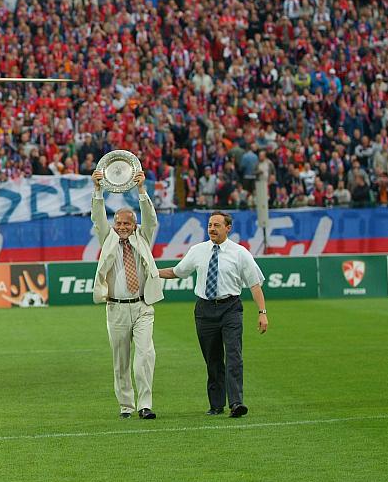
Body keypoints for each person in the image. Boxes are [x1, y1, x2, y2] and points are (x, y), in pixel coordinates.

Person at [158, 211, 268, 418]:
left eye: (217, 225)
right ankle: (216, 405)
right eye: (210, 225)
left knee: (234, 355)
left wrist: (262, 313)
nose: (212, 229)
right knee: (213, 358)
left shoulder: (240, 253)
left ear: (228, 228)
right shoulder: (198, 250)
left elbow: (255, 285)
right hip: (204, 309)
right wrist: (152, 272)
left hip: (231, 308)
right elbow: (177, 272)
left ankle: (236, 403)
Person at [91, 170, 164, 420]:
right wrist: (98, 189)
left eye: (127, 224)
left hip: (143, 306)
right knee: (121, 361)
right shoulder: (108, 237)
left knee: (145, 356)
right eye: (119, 223)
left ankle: (145, 405)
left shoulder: (143, 237)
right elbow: (98, 218)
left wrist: (142, 190)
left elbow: (151, 220)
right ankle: (126, 405)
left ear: (134, 226)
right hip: (116, 308)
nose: (122, 228)